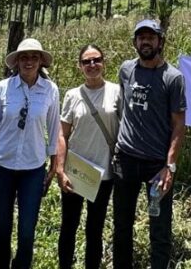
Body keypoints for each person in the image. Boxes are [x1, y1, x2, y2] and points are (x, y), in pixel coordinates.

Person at [111, 19, 186, 269]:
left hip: (156, 167)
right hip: (126, 160)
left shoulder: (173, 78)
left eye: (151, 37)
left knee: (159, 227)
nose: (146, 42)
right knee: (122, 225)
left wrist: (169, 166)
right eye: (141, 37)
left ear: (160, 42)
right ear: (135, 42)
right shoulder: (126, 70)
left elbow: (178, 125)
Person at [0, 38, 61, 269]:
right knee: (3, 227)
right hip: (2, 166)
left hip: (33, 168)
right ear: (17, 61)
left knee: (27, 229)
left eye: (34, 57)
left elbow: (54, 127)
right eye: (24, 57)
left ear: (41, 62)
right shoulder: (3, 88)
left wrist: (54, 164)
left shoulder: (50, 90)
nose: (29, 62)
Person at [55, 44, 121, 269]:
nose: (92, 65)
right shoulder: (72, 95)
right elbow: (62, 134)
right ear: (80, 66)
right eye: (86, 61)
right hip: (76, 170)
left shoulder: (117, 92)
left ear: (104, 62)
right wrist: (60, 169)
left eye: (96, 60)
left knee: (95, 228)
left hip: (104, 173)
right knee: (69, 225)